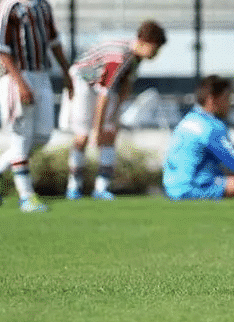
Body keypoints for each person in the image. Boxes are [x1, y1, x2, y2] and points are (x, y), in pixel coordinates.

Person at [0, 0, 74, 213]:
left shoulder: (43, 5)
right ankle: (26, 197)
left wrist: (67, 72)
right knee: (21, 137)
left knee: (43, 136)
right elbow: (2, 49)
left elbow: (54, 41)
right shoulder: (9, 6)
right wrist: (20, 83)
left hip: (41, 75)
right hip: (17, 77)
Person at [62, 20, 167, 200]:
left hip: (101, 88)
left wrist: (114, 118)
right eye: (154, 48)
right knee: (83, 136)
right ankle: (73, 187)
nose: (156, 53)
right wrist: (97, 129)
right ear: (143, 41)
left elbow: (125, 88)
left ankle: (101, 188)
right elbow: (103, 94)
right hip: (82, 83)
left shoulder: (135, 59)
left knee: (110, 133)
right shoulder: (118, 57)